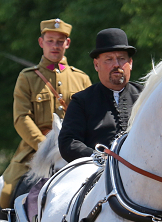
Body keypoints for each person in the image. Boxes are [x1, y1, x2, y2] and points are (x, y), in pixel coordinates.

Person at [0, 18, 91, 210]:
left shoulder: (81, 79)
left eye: (59, 41)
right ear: (41, 43)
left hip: (73, 150)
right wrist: (43, 147)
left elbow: (90, 118)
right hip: (35, 152)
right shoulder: (27, 77)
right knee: (5, 193)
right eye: (50, 41)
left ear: (67, 44)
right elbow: (21, 117)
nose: (55, 46)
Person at [59, 28, 143, 162]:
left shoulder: (146, 96)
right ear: (96, 65)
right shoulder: (82, 101)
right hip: (97, 172)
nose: (116, 65)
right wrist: (97, 157)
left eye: (121, 59)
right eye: (109, 59)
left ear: (130, 63)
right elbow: (69, 142)